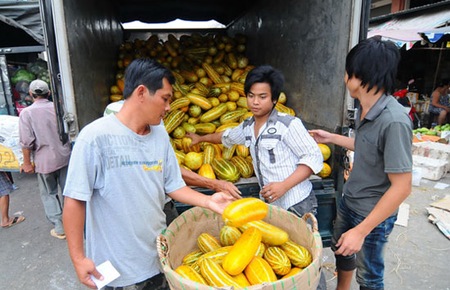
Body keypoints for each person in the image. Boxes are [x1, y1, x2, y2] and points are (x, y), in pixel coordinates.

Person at [62, 58, 234, 289]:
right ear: (141, 92)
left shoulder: (159, 134)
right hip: (115, 268)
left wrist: (209, 201)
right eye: (165, 99)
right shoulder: (95, 137)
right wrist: (79, 258)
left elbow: (173, 186)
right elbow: (74, 199)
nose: (169, 108)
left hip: (157, 258)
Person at [310, 36, 412, 290]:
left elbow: (402, 187)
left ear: (362, 75)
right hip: (351, 200)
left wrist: (362, 230)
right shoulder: (365, 107)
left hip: (373, 214)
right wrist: (332, 138)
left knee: (370, 276)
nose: (345, 78)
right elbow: (370, 148)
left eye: (348, 72)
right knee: (342, 252)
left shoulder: (394, 121)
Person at [188, 65, 323, 215]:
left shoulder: (288, 124)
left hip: (298, 203)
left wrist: (284, 186)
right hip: (272, 206)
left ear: (274, 99)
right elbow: (225, 137)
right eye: (251, 96)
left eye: (262, 97)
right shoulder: (247, 127)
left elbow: (313, 157)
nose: (255, 102)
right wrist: (200, 138)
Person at [19, 79, 72, 240]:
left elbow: (26, 142)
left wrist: (27, 163)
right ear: (48, 93)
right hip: (65, 157)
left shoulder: (26, 113)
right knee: (68, 191)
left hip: (45, 161)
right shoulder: (58, 108)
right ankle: (75, 222)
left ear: (30, 94)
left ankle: (60, 227)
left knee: (49, 193)